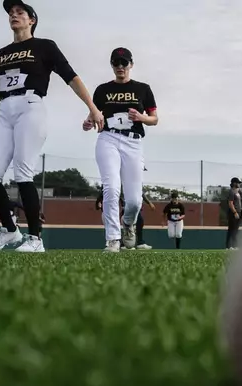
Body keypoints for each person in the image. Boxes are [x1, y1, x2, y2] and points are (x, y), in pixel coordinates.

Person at [0, 0, 103, 252]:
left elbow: (71, 76)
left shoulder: (44, 46)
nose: (13, 16)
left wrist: (92, 107)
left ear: (31, 20)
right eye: (11, 13)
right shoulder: (1, 54)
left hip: (30, 106)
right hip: (5, 110)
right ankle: (10, 231)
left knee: (22, 173)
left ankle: (35, 239)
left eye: (19, 12)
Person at [83, 47, 158, 252]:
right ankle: (113, 239)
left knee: (134, 201)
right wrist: (88, 123)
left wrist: (141, 118)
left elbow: (154, 119)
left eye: (124, 63)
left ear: (131, 65)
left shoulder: (143, 89)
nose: (120, 67)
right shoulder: (102, 90)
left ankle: (127, 223)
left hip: (133, 142)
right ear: (112, 66)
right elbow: (93, 114)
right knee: (111, 188)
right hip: (108, 138)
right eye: (116, 63)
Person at [226, 177, 242, 249]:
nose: (239, 184)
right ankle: (229, 246)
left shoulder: (237, 192)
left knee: (236, 230)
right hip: (233, 213)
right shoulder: (231, 192)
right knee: (232, 229)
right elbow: (230, 203)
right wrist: (235, 212)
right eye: (238, 183)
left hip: (238, 212)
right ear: (234, 183)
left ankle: (234, 245)